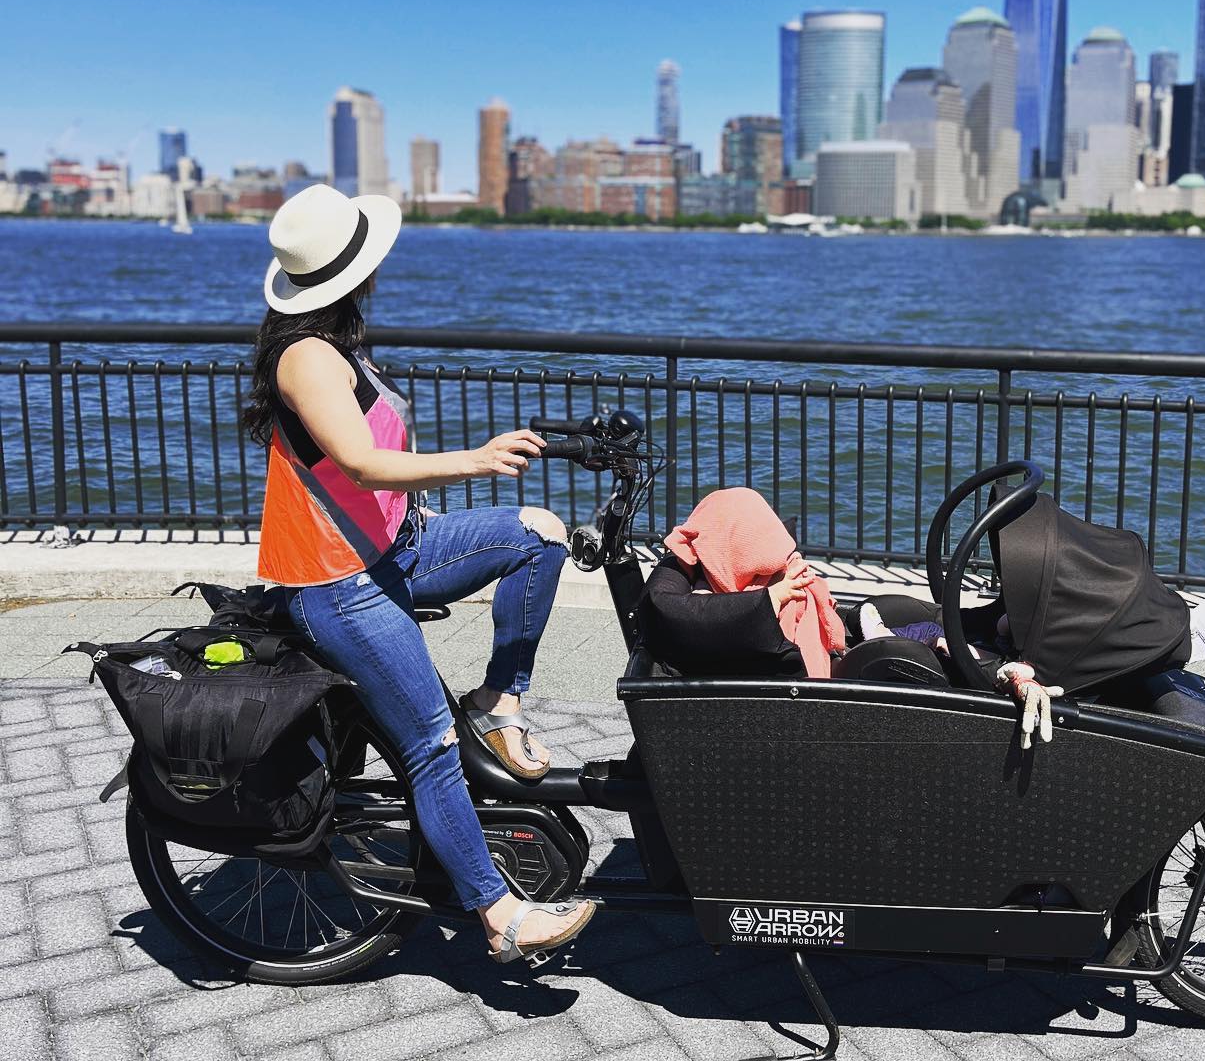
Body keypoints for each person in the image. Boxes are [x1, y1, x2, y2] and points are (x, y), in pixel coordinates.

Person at [244, 183, 594, 963]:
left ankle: (500, 701)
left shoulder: (335, 344)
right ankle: (500, 914)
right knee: (431, 745)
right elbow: (362, 464)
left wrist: (419, 515)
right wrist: (476, 459)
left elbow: (369, 480)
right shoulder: (305, 357)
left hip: (394, 549)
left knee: (540, 535)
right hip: (342, 585)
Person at [642, 487, 1063, 745]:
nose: (788, 569)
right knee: (921, 640)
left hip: (840, 647)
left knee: (904, 614)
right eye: (768, 567)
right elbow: (678, 611)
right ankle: (996, 668)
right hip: (831, 683)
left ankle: (987, 634)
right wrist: (772, 596)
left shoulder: (753, 593)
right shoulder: (733, 607)